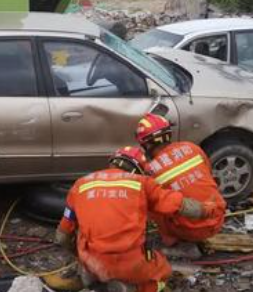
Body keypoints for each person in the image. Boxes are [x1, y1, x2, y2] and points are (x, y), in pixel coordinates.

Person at [55, 146, 216, 292]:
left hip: (92, 260)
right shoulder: (142, 183)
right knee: (163, 273)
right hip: (130, 262)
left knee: (88, 246)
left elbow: (62, 236)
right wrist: (207, 210)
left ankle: (92, 276)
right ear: (137, 168)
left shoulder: (80, 185)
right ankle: (132, 288)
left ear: (113, 163)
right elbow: (179, 205)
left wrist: (80, 257)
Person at [136, 113, 226, 246]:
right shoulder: (191, 147)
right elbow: (209, 173)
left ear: (146, 144)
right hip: (217, 219)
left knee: (153, 203)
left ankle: (170, 239)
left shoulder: (150, 171)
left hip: (189, 231)